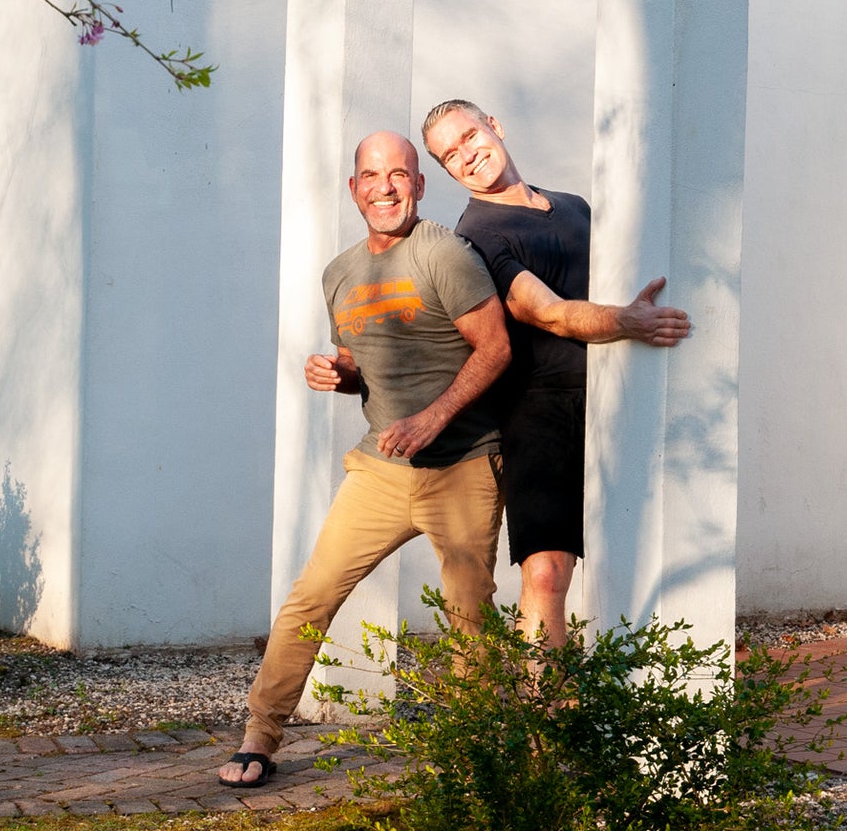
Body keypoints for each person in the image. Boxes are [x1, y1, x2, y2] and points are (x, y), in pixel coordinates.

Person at [216, 130, 512, 789]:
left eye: (400, 174)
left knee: (468, 615)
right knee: (312, 596)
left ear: (419, 184)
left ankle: (475, 754)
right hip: (380, 469)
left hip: (461, 466)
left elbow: (494, 349)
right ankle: (260, 733)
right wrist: (339, 373)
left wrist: (435, 417)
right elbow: (367, 362)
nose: (386, 186)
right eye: (372, 175)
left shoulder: (444, 254)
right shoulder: (341, 273)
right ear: (354, 188)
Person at [420, 99, 691, 648]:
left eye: (470, 137)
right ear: (446, 172)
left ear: (494, 125)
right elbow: (545, 311)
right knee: (546, 573)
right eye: (451, 156)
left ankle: (618, 706)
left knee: (648, 550)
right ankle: (547, 724)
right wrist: (627, 320)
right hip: (539, 411)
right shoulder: (474, 239)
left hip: (616, 393)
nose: (468, 156)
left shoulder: (574, 207)